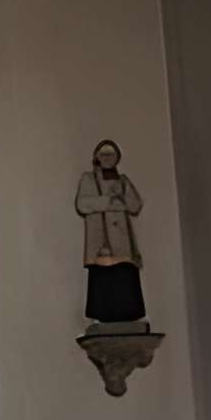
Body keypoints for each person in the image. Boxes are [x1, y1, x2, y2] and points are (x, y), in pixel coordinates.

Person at [75, 139, 146, 329]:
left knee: (124, 276)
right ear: (97, 158)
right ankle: (102, 314)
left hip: (122, 241)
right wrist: (108, 201)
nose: (107, 159)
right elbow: (83, 203)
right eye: (104, 155)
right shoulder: (88, 179)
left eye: (111, 155)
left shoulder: (123, 181)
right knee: (103, 279)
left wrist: (121, 199)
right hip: (101, 243)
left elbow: (135, 204)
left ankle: (128, 314)